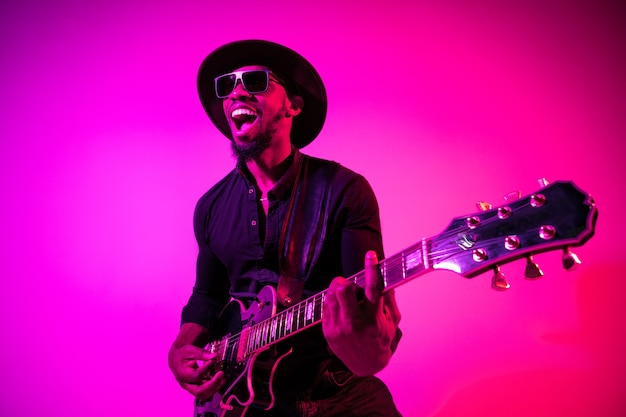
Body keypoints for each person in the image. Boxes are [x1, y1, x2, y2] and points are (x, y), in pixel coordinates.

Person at [168, 39, 402, 417]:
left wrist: (373, 337)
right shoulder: (210, 207)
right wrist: (181, 348)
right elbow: (208, 295)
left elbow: (367, 299)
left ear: (292, 106)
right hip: (240, 400)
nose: (236, 92)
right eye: (227, 85)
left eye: (256, 80)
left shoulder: (344, 190)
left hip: (336, 394)